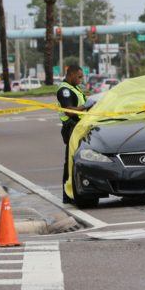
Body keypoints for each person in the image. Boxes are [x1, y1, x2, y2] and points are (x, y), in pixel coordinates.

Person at [57, 65, 88, 203]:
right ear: (71, 75)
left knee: (78, 159)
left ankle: (76, 190)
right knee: (70, 161)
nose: (81, 79)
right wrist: (86, 106)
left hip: (78, 127)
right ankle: (67, 195)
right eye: (79, 76)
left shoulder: (74, 88)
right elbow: (70, 111)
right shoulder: (65, 90)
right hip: (71, 127)